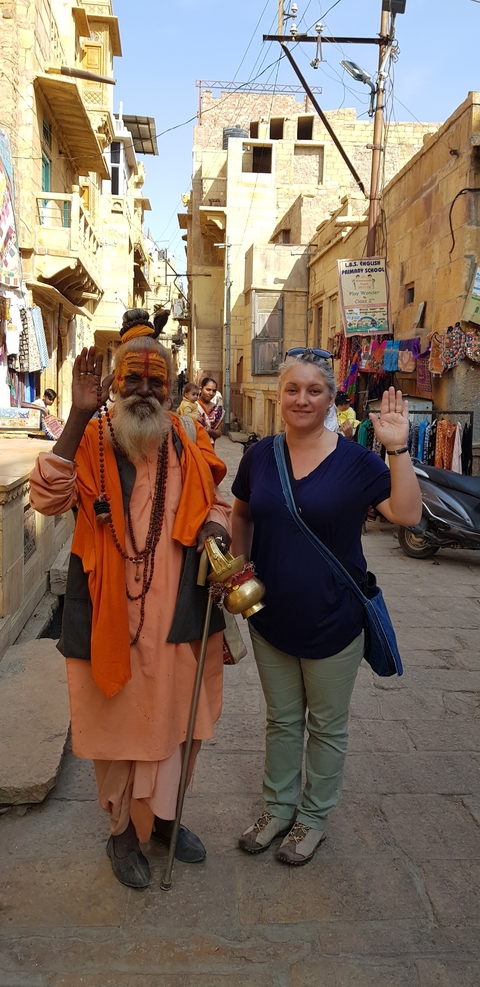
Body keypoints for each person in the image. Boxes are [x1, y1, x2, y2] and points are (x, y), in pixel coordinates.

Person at [29, 309, 231, 890]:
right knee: (118, 729)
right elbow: (45, 498)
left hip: (177, 618)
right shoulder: (90, 438)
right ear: (114, 385)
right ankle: (122, 833)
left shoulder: (189, 439)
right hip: (110, 618)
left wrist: (216, 528)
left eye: (155, 382)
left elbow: (214, 502)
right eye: (132, 380)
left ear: (171, 389)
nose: (144, 391)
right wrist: (76, 415)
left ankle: (164, 822)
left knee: (179, 723)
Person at [231, 348, 421, 866]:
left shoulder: (357, 462)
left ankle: (312, 818)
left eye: (314, 390)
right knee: (283, 720)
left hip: (334, 617)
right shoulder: (258, 456)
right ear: (279, 395)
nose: (302, 399)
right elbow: (242, 514)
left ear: (331, 399)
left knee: (327, 727)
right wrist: (238, 569)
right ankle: (277, 809)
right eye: (292, 389)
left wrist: (397, 449)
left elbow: (406, 513)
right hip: (269, 617)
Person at [196, 377, 224, 444]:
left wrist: (210, 431)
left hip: (209, 447)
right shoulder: (192, 405)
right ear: (201, 389)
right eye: (208, 389)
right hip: (193, 447)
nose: (211, 393)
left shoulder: (217, 409)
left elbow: (219, 433)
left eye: (214, 391)